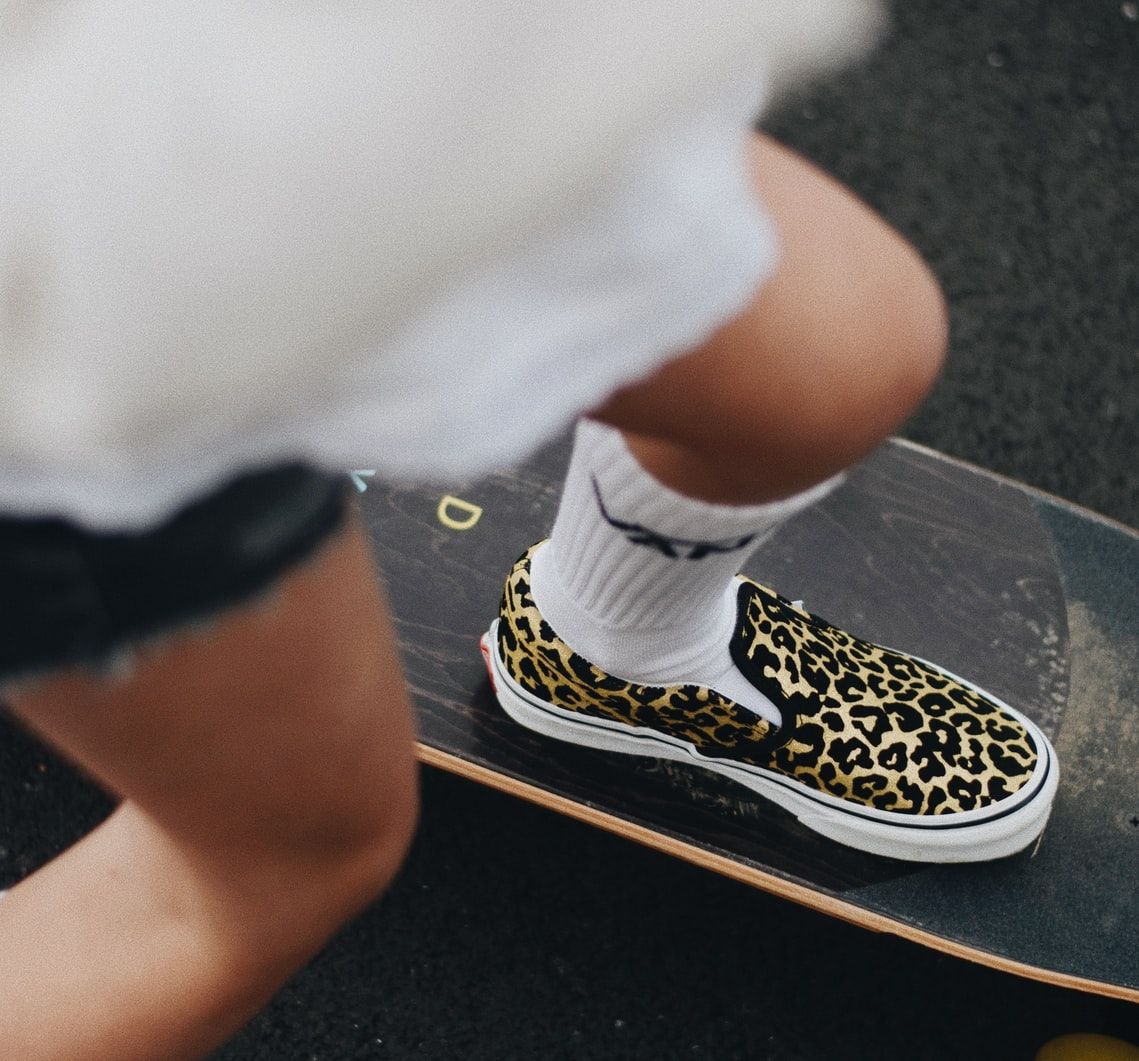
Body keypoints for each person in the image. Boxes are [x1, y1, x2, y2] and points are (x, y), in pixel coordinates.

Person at [0, 0, 1055, 1056]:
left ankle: (609, 652)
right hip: (85, 327)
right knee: (270, 867)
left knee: (845, 356)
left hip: (401, 104)